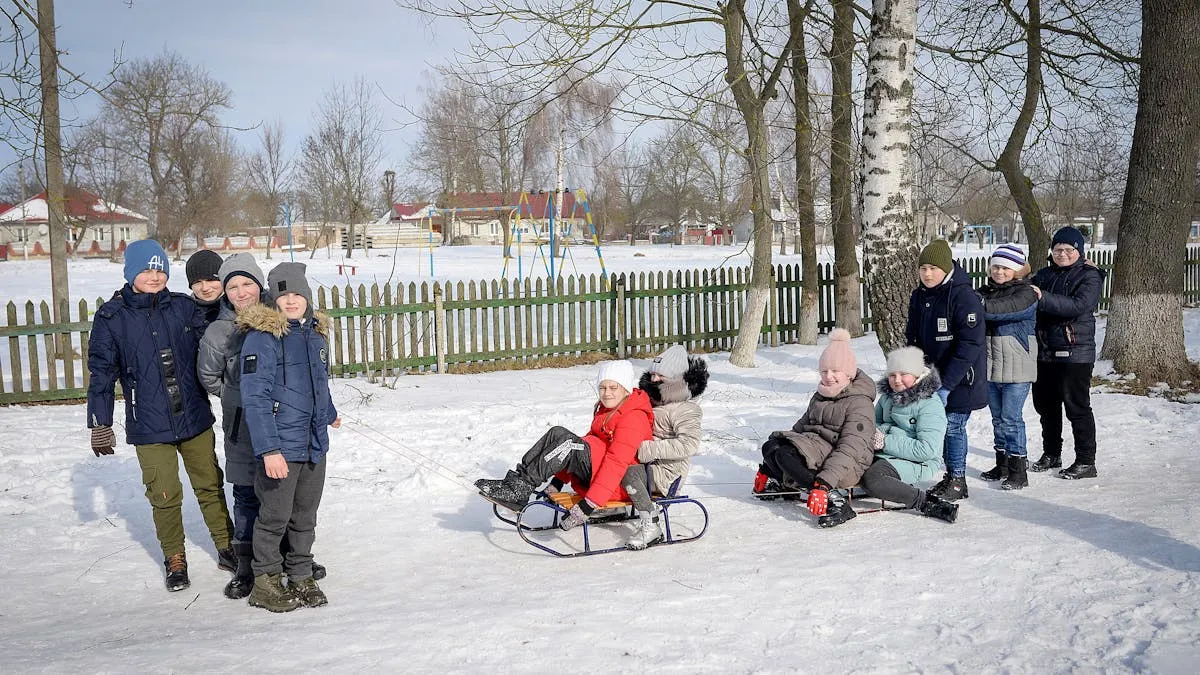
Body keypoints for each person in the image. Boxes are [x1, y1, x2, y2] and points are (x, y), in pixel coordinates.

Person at [86, 239, 235, 592]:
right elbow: (102, 373)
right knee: (164, 493)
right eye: (145, 269)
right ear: (130, 272)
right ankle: (175, 558)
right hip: (149, 423)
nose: (153, 276)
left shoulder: (185, 308)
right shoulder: (111, 318)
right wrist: (100, 422)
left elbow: (220, 335)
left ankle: (227, 545)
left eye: (159, 269)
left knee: (210, 485)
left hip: (195, 416)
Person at [239, 262, 341, 612]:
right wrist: (269, 450)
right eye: (284, 295)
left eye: (298, 294)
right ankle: (265, 581)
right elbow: (255, 398)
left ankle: (300, 574)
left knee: (305, 516)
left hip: (313, 442)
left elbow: (318, 383)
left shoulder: (314, 334)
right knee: (274, 517)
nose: (292, 301)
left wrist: (329, 413)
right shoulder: (263, 338)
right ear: (274, 299)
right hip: (281, 446)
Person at [475, 360, 654, 531]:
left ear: (626, 389)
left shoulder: (633, 417)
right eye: (602, 387)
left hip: (617, 484)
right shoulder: (608, 409)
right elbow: (588, 442)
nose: (607, 393)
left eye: (613, 388)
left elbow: (617, 463)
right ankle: (517, 483)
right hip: (597, 468)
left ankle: (519, 490)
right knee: (557, 433)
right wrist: (558, 481)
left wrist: (589, 504)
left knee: (568, 444)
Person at [752, 328, 876, 527]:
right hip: (818, 450)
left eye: (836, 371)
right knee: (772, 447)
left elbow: (851, 449)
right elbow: (800, 428)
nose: (829, 376)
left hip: (847, 464)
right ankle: (787, 484)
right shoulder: (821, 394)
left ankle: (834, 500)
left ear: (849, 374)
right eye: (824, 371)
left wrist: (824, 484)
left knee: (785, 455)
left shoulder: (859, 403)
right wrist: (770, 467)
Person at [906, 239, 987, 501]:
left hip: (960, 378)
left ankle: (958, 480)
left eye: (933, 268)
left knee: (953, 426)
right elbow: (913, 337)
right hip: (931, 377)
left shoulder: (963, 296)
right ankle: (948, 475)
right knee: (936, 426)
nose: (927, 274)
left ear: (946, 267)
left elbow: (971, 343)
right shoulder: (919, 295)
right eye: (923, 268)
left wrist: (947, 384)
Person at [1029, 226, 1105, 479]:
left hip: (1075, 352)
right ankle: (1052, 453)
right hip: (1045, 351)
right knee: (1046, 407)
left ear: (1079, 251)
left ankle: (1086, 461)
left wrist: (1043, 297)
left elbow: (1079, 305)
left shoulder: (1090, 276)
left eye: (1068, 250)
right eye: (1058, 249)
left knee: (1077, 407)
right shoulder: (1044, 274)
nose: (1062, 254)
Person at [618, 345, 709, 550]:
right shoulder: (651, 401)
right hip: (646, 464)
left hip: (666, 472)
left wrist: (647, 449)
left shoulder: (686, 409)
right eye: (652, 374)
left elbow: (689, 444)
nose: (654, 380)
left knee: (624, 469)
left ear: (676, 380)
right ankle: (608, 503)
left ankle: (652, 524)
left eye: (661, 376)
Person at [859, 346, 957, 523]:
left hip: (918, 461)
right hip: (884, 453)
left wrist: (885, 440)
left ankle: (925, 502)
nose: (896, 380)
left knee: (872, 479)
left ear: (917, 374)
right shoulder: (887, 398)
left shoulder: (930, 405)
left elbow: (926, 450)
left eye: (903, 374)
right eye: (892, 375)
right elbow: (874, 423)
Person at [976, 244, 1039, 490]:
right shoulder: (985, 292)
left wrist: (975, 304)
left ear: (1016, 270)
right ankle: (1001, 464)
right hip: (992, 366)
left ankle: (1018, 471)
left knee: (1011, 419)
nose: (999, 272)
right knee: (997, 419)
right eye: (995, 267)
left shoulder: (1027, 294)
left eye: (1005, 268)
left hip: (1017, 367)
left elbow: (998, 311)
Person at [186, 249, 224, 325]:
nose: (205, 288)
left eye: (210, 280)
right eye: (197, 282)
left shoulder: (240, 309)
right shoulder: (183, 314)